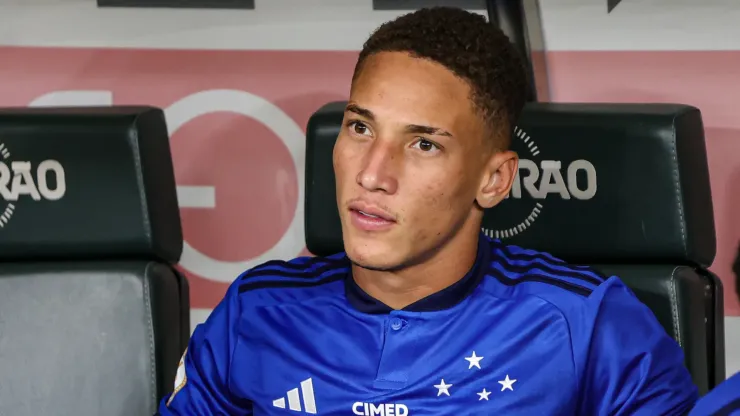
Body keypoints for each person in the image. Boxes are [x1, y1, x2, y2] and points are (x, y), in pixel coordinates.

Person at [158, 7, 698, 415]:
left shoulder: (588, 326)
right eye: (360, 128)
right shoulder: (256, 313)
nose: (373, 174)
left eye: (423, 145)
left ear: (493, 180)